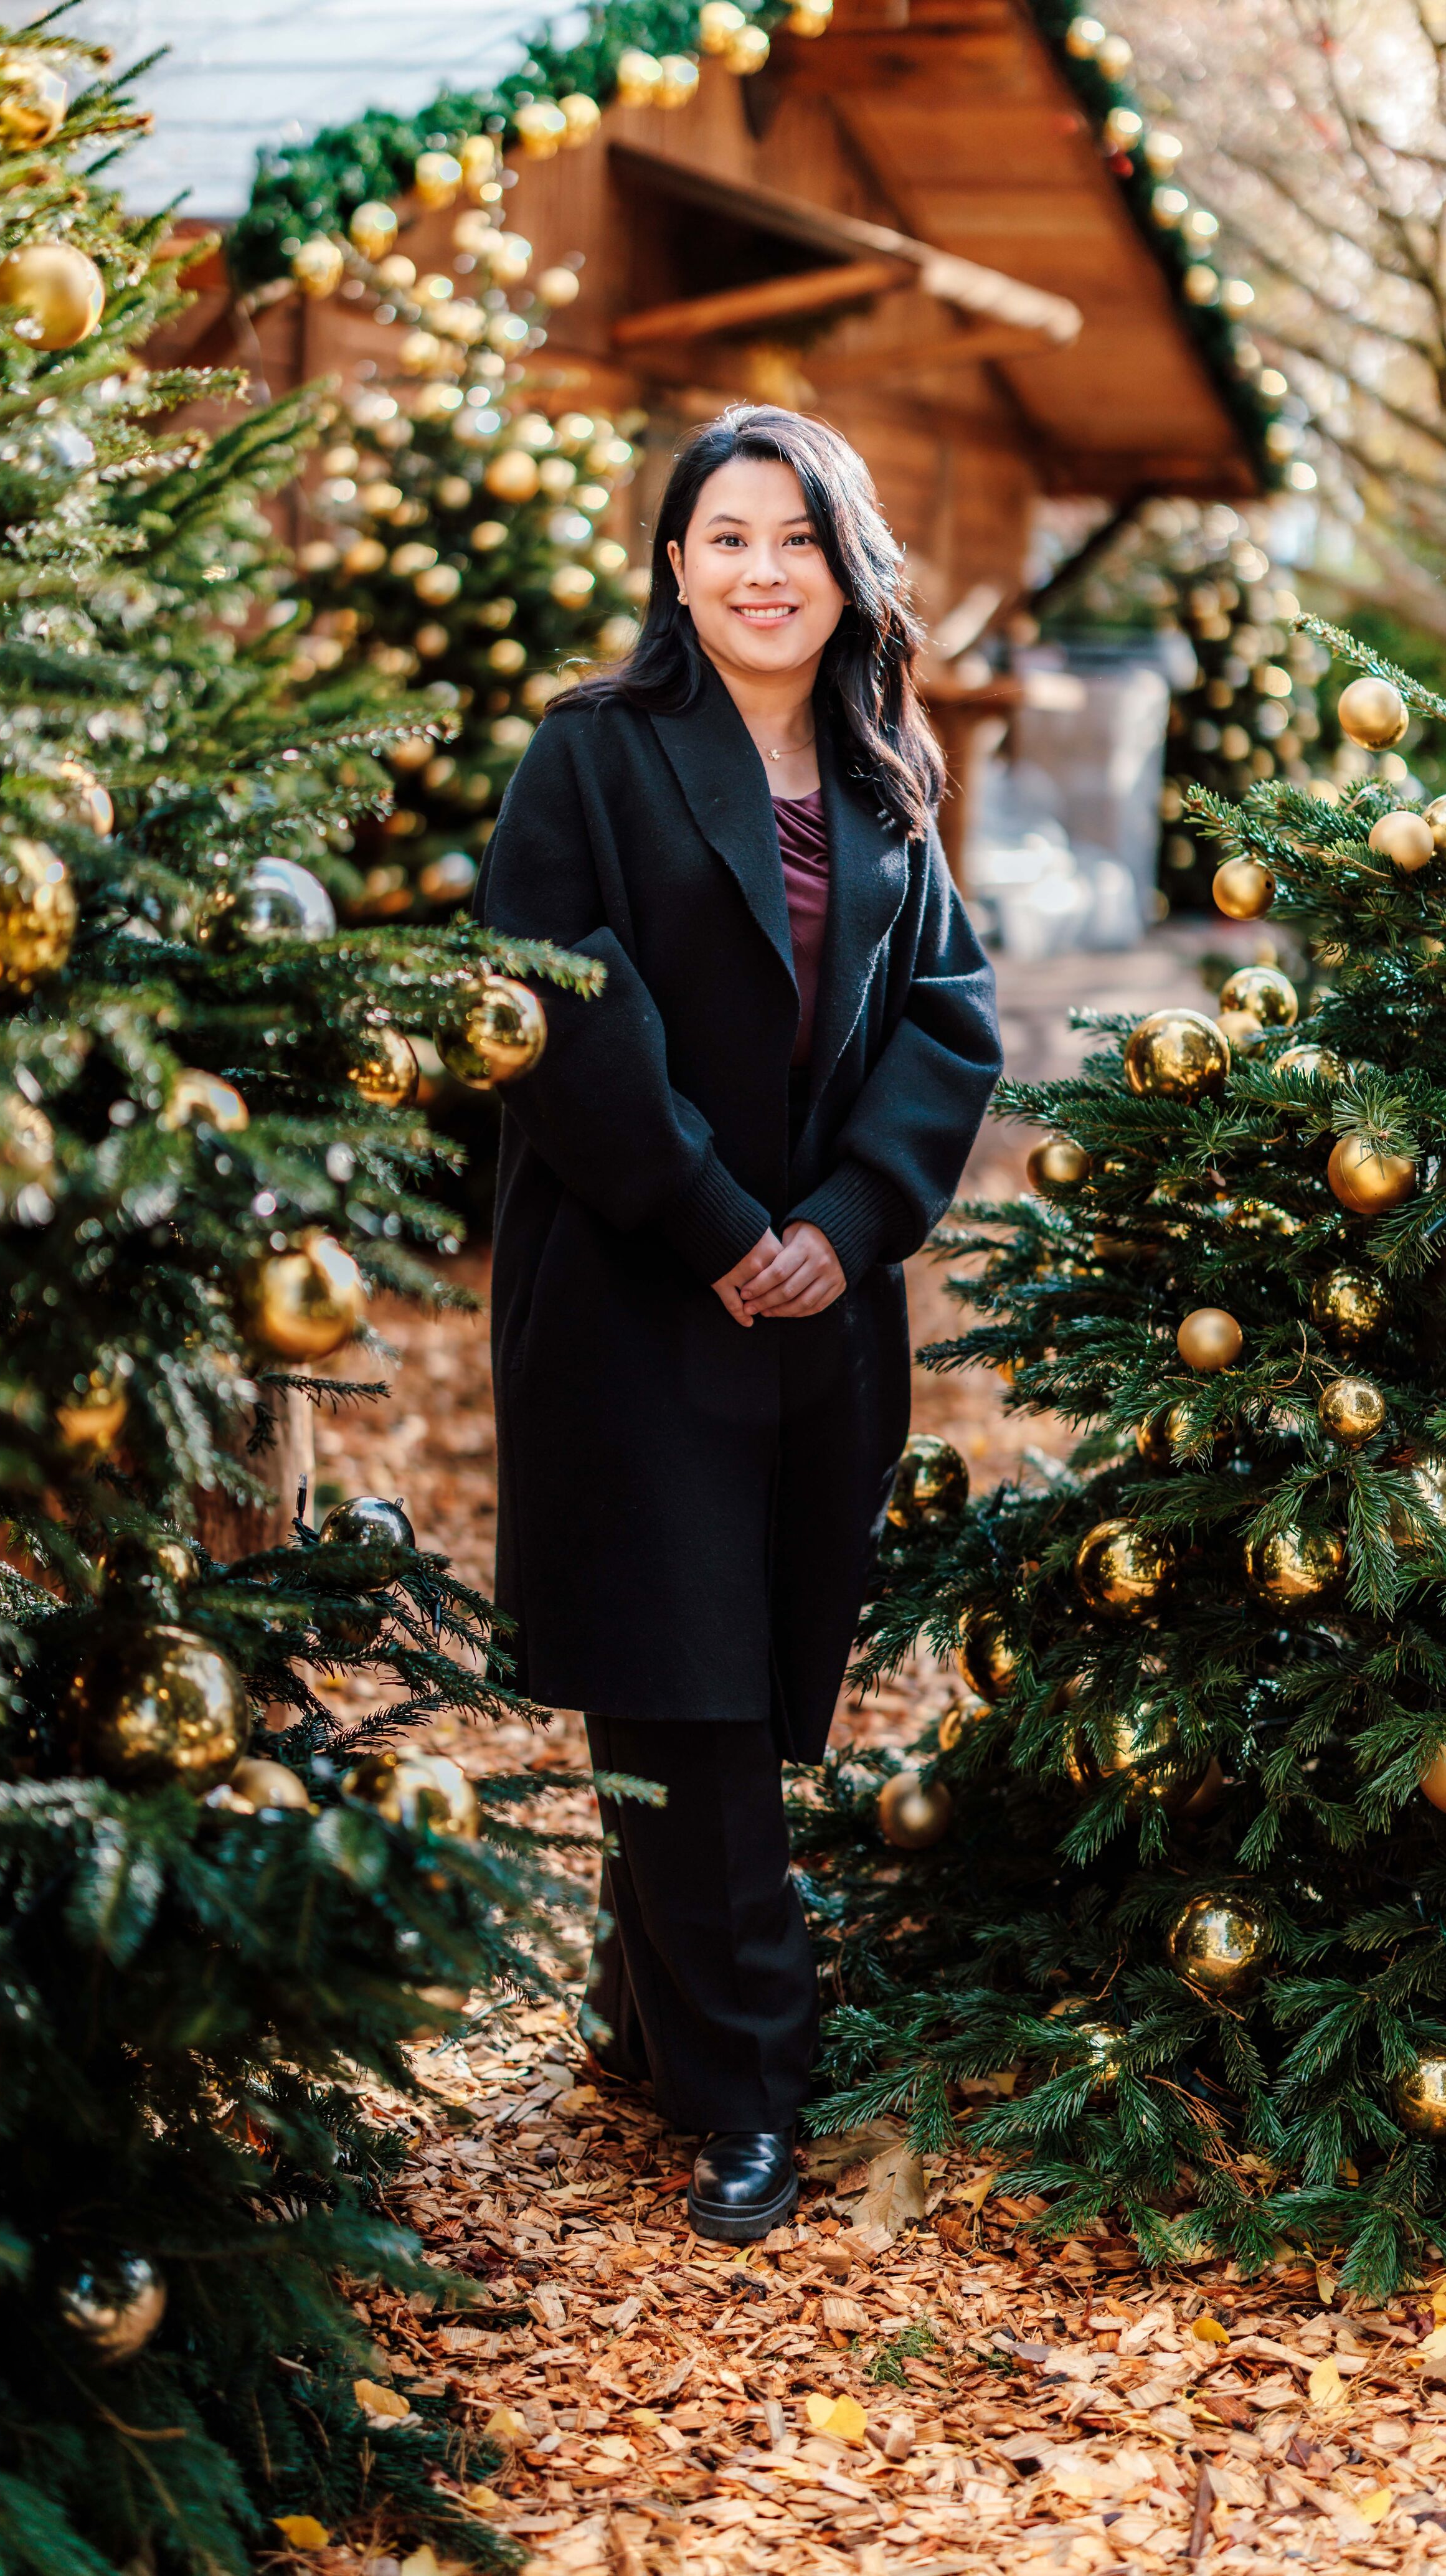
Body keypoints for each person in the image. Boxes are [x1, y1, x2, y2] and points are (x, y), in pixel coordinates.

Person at [475, 405, 1001, 2241]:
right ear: (674, 567)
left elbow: (948, 1012)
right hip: (635, 1292)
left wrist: (841, 1227)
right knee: (681, 1683)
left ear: (848, 569)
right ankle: (752, 2090)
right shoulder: (594, 759)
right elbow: (560, 997)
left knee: (744, 1681)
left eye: (797, 538)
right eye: (725, 538)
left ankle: (643, 2013)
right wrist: (712, 1218)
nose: (763, 570)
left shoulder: (883, 779)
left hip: (814, 1310)